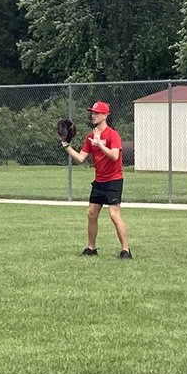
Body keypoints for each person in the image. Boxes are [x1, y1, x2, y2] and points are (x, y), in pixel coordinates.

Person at [60, 100, 132, 258]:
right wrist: (66, 145)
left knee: (114, 214)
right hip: (99, 181)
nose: (93, 115)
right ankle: (91, 248)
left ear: (105, 115)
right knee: (91, 214)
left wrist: (100, 144)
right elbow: (80, 158)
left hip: (114, 179)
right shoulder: (90, 137)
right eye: (92, 112)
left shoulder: (113, 135)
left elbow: (114, 156)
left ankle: (126, 250)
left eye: (97, 113)